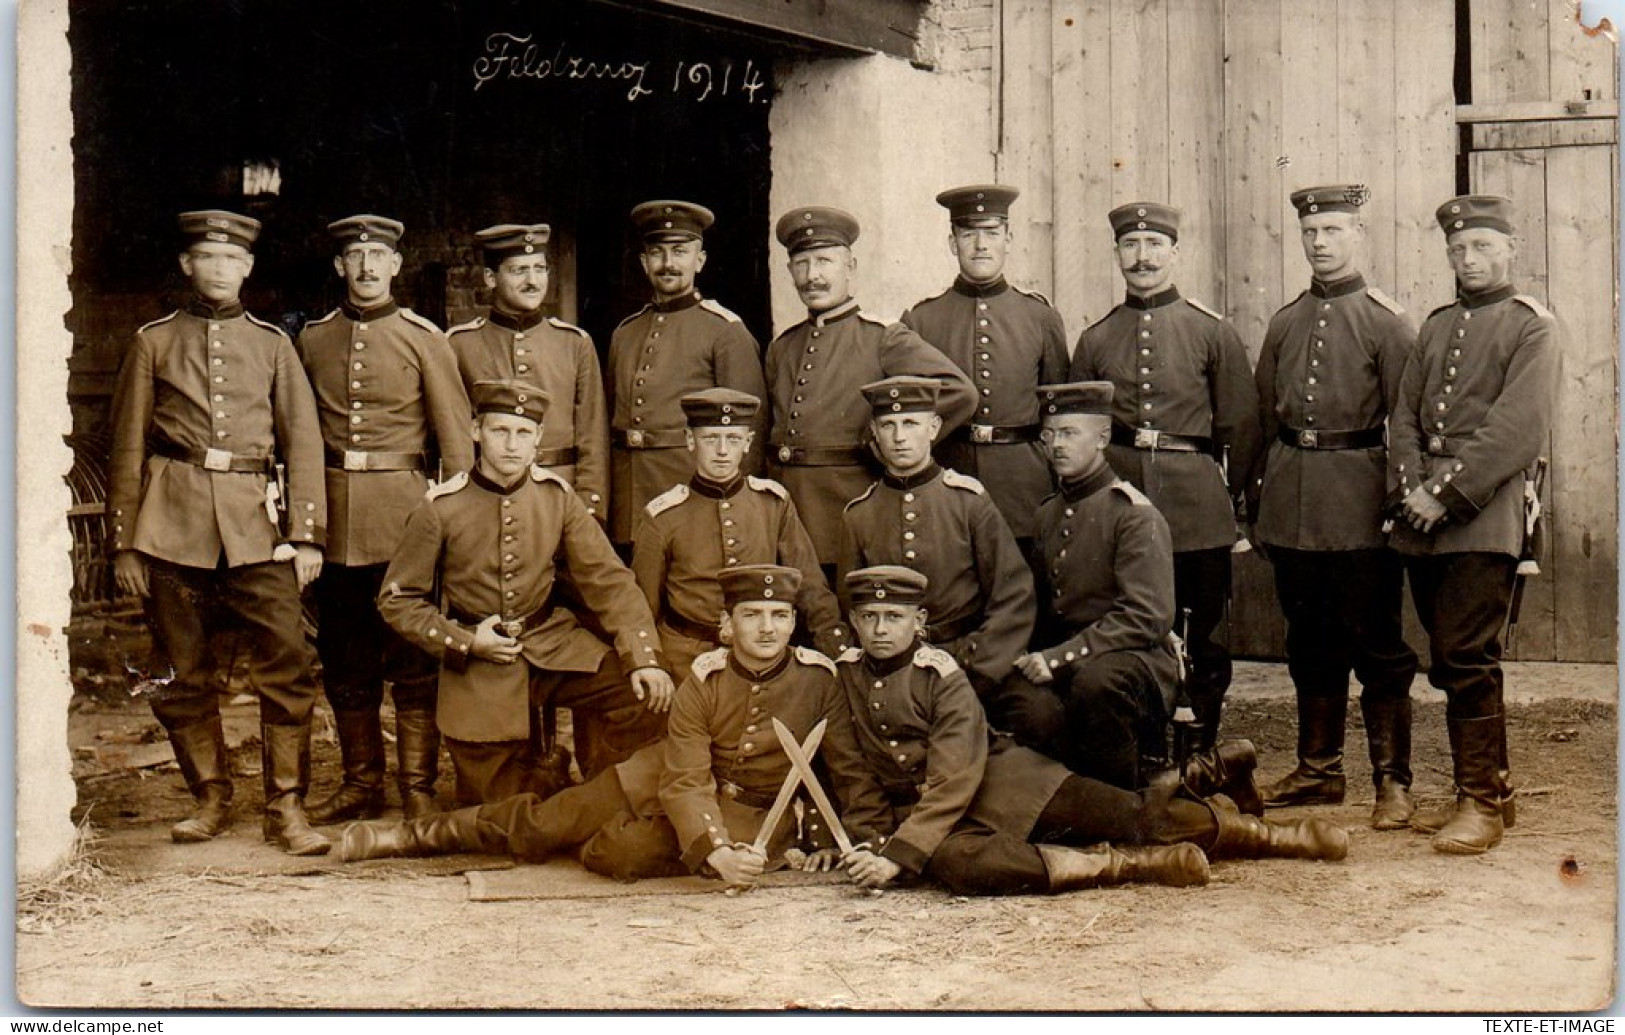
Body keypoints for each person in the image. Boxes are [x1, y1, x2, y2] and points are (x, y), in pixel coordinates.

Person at [339, 565, 888, 889]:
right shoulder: (704, 676)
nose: (766, 628)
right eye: (751, 615)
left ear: (794, 623)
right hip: (661, 777)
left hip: (753, 814)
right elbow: (685, 774)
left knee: (616, 857)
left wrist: (839, 839)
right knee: (544, 826)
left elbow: (842, 769)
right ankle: (412, 836)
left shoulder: (821, 680)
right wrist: (714, 850)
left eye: (779, 617)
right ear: (726, 624)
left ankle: (590, 829)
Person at [832, 566, 1347, 897]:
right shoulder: (844, 678)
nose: (880, 629)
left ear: (917, 621)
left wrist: (900, 854)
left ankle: (1273, 837)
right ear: (853, 621)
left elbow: (954, 776)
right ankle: (1128, 867)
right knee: (966, 868)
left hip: (1002, 785)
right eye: (869, 616)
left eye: (893, 617)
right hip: (933, 825)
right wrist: (874, 844)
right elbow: (852, 772)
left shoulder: (942, 677)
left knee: (1135, 814)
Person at [107, 209, 329, 855]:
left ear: (248, 268)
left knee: (287, 657)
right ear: (187, 265)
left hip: (256, 525)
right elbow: (124, 447)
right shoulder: (153, 340)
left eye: (233, 260)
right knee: (180, 666)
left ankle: (286, 805)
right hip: (171, 524)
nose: (221, 269)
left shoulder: (272, 343)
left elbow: (304, 441)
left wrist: (307, 534)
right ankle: (209, 794)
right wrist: (124, 542)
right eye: (208, 257)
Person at [376, 380, 673, 803]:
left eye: (523, 434)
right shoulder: (440, 507)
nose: (511, 445)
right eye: (500, 431)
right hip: (480, 663)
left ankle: (600, 793)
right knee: (501, 815)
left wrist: (644, 657)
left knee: (644, 696)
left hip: (552, 644)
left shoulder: (557, 497)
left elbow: (610, 582)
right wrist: (466, 641)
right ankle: (549, 773)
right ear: (476, 431)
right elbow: (397, 600)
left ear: (537, 439)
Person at [1386, 195, 1560, 855]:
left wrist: (1445, 494)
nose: (1469, 259)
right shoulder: (1434, 326)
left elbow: (1515, 430)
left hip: (1479, 513)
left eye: (1482, 246)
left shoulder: (1531, 326)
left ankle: (1479, 804)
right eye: (1458, 249)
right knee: (1448, 653)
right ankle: (1496, 783)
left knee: (1465, 654)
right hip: (1422, 515)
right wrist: (1411, 489)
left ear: (1510, 248)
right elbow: (1402, 413)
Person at [1250, 185, 1421, 828]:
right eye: (1311, 233)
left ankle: (1392, 781)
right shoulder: (1287, 322)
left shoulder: (1387, 322)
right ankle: (1319, 770)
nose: (1320, 244)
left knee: (1377, 643)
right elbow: (1266, 417)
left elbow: (1409, 419)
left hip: (1360, 502)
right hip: (1294, 500)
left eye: (1334, 231)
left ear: (1359, 234)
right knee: (1309, 641)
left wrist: (1397, 501)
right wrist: (1260, 500)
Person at [297, 214, 474, 824]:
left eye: (378, 256)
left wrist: (456, 526)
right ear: (340, 267)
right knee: (344, 656)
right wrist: (305, 526)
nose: (368, 268)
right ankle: (360, 784)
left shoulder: (426, 337)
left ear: (396, 265)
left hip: (407, 517)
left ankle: (417, 788)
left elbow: (456, 444)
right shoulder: (313, 339)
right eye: (355, 256)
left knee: (413, 657)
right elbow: (296, 438)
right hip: (335, 520)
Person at [1070, 203, 1263, 749]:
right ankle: (1141, 745)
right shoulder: (1096, 339)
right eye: (1131, 246)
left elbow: (1240, 425)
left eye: (1155, 245)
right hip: (1119, 504)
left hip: (1195, 507)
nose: (1143, 257)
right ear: (1116, 255)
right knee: (1125, 622)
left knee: (1200, 632)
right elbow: (1080, 430)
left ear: (1176, 252)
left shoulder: (1211, 333)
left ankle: (1200, 748)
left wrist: (1224, 498)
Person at [764, 206, 978, 575]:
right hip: (788, 511)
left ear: (850, 268)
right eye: (801, 264)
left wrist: (878, 440)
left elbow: (959, 392)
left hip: (846, 508)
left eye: (824, 261)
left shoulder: (882, 337)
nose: (812, 276)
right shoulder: (783, 346)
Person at [995, 381, 1180, 791]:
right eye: (1049, 435)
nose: (1056, 445)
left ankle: (1123, 803)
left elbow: (1145, 617)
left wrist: (1059, 659)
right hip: (1070, 657)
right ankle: (1077, 797)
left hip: (1134, 658)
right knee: (1023, 701)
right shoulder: (1047, 514)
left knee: (1095, 683)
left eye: (1069, 433)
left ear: (1103, 438)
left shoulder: (1133, 515)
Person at [900, 184, 1069, 562]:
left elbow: (1058, 410)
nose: (981, 245)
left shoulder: (1040, 317)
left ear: (1008, 239)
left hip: (1024, 486)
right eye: (968, 234)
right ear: (952, 242)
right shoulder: (921, 319)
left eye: (991, 233)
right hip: (948, 478)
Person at [839, 375, 1034, 701]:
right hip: (893, 669)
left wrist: (977, 665)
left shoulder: (968, 501)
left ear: (933, 428)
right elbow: (851, 607)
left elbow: (1013, 595)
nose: (899, 437)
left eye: (911, 423)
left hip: (969, 661)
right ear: (874, 432)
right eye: (888, 425)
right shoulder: (859, 514)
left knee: (1040, 715)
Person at [632, 388, 848, 678]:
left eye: (733, 439)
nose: (722, 451)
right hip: (685, 661)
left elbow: (809, 585)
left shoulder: (773, 503)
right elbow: (643, 606)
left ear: (747, 443)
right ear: (689, 440)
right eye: (711, 438)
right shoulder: (662, 515)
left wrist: (838, 649)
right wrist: (651, 664)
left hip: (762, 656)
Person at [607, 200, 766, 551]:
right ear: (644, 262)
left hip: (688, 488)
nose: (668, 264)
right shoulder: (625, 333)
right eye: (657, 252)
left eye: (680, 251)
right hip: (629, 494)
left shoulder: (725, 331)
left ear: (700, 260)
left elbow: (748, 433)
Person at [448, 222, 608, 521]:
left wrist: (590, 508)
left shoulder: (574, 343)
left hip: (561, 494)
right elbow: (452, 434)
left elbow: (592, 436)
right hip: (485, 497)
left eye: (539, 269)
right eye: (518, 271)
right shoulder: (460, 344)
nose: (532, 281)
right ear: (490, 278)